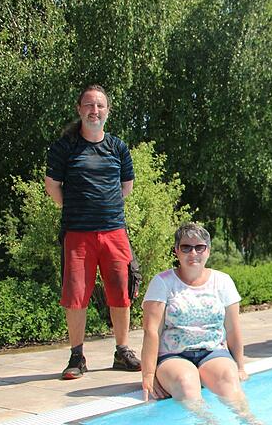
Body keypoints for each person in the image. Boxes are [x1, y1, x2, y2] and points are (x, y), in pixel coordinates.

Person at [45, 84, 141, 380]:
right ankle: (77, 356)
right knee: (75, 296)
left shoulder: (118, 147)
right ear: (79, 109)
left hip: (114, 231)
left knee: (121, 293)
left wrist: (103, 209)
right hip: (77, 234)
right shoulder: (64, 148)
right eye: (89, 105)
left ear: (107, 111)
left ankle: (122, 351)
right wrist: (79, 209)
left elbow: (126, 188)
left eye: (99, 105)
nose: (94, 110)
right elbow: (53, 187)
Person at [141, 223, 258, 423]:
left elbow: (232, 328)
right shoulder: (162, 282)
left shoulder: (222, 281)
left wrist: (239, 366)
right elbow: (151, 330)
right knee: (186, 383)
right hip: (173, 355)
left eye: (199, 247)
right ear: (176, 251)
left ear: (208, 251)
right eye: (186, 247)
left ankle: (250, 420)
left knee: (229, 381)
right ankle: (208, 422)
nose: (192, 253)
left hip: (213, 351)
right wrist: (148, 374)